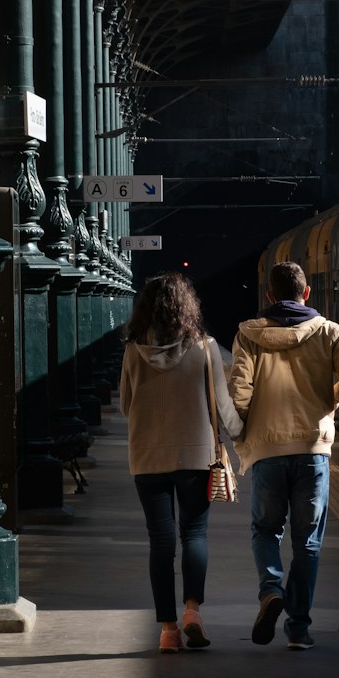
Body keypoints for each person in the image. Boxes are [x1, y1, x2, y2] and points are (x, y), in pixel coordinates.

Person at [229, 260, 339, 649]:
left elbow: (238, 392)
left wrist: (245, 424)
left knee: (265, 530)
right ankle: (299, 628)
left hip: (267, 450)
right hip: (312, 451)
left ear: (270, 296)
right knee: (307, 540)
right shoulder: (329, 332)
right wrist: (333, 396)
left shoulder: (249, 336)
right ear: (306, 293)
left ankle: (271, 589)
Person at [119, 272, 243, 653]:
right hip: (196, 456)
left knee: (160, 542)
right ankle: (192, 612)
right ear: (187, 307)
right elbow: (223, 408)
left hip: (147, 457)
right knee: (194, 534)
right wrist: (242, 436)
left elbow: (126, 406)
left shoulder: (133, 350)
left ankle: (168, 630)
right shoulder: (205, 348)